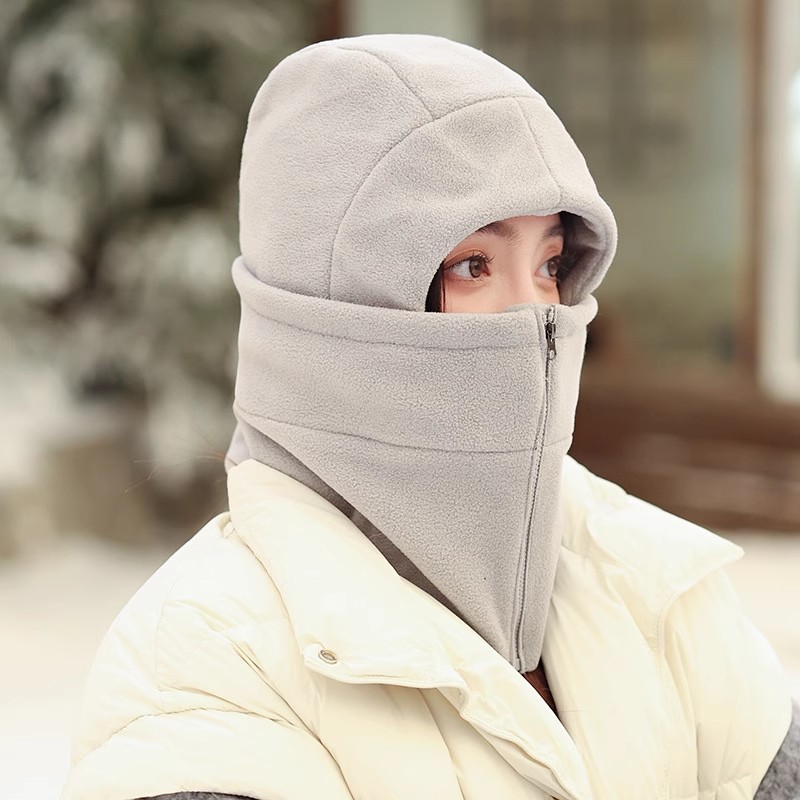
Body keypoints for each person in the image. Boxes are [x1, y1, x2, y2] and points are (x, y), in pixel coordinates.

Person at [61, 34, 798, 800]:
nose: (537, 320)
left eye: (550, 265)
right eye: (473, 266)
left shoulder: (651, 581)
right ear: (333, 313)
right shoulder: (204, 674)